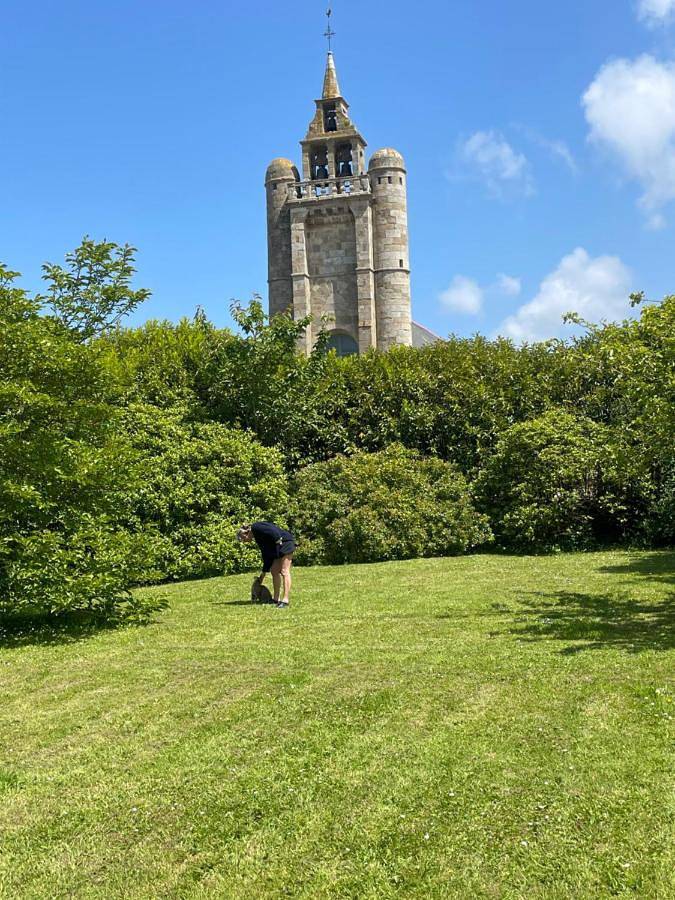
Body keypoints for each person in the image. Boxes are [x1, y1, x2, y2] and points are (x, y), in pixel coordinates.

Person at [237, 522, 296, 608]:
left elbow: (273, 531)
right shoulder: (257, 537)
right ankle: (276, 599)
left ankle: (285, 600)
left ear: (245, 534)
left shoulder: (256, 527)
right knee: (274, 571)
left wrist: (278, 541)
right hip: (277, 547)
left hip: (285, 542)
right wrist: (263, 573)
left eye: (243, 539)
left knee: (284, 571)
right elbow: (265, 554)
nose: (244, 541)